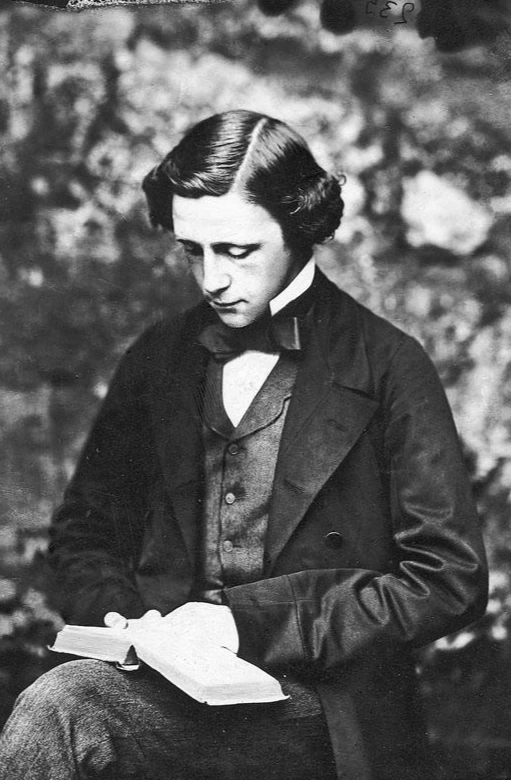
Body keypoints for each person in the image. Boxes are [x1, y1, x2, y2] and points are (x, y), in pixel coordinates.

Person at [0, 110, 487, 780]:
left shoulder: (387, 365)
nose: (212, 279)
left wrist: (244, 624)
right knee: (65, 705)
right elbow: (86, 532)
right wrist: (124, 619)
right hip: (166, 688)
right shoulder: (158, 356)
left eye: (236, 251)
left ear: (299, 229)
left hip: (324, 707)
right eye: (192, 251)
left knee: (65, 707)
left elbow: (446, 580)